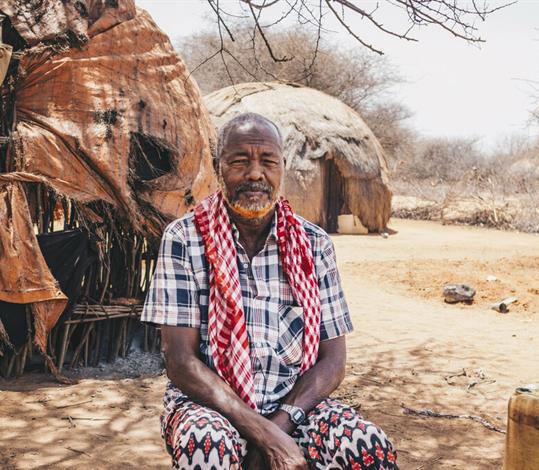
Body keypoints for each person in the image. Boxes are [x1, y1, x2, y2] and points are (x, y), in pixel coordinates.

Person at [142, 112, 397, 469]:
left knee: (366, 445)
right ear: (218, 167)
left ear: (283, 167)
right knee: (207, 446)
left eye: (267, 161)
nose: (255, 174)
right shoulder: (184, 239)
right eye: (239, 161)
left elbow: (333, 361)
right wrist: (261, 433)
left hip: (295, 406)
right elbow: (180, 361)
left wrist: (278, 426)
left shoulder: (314, 244)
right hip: (212, 406)